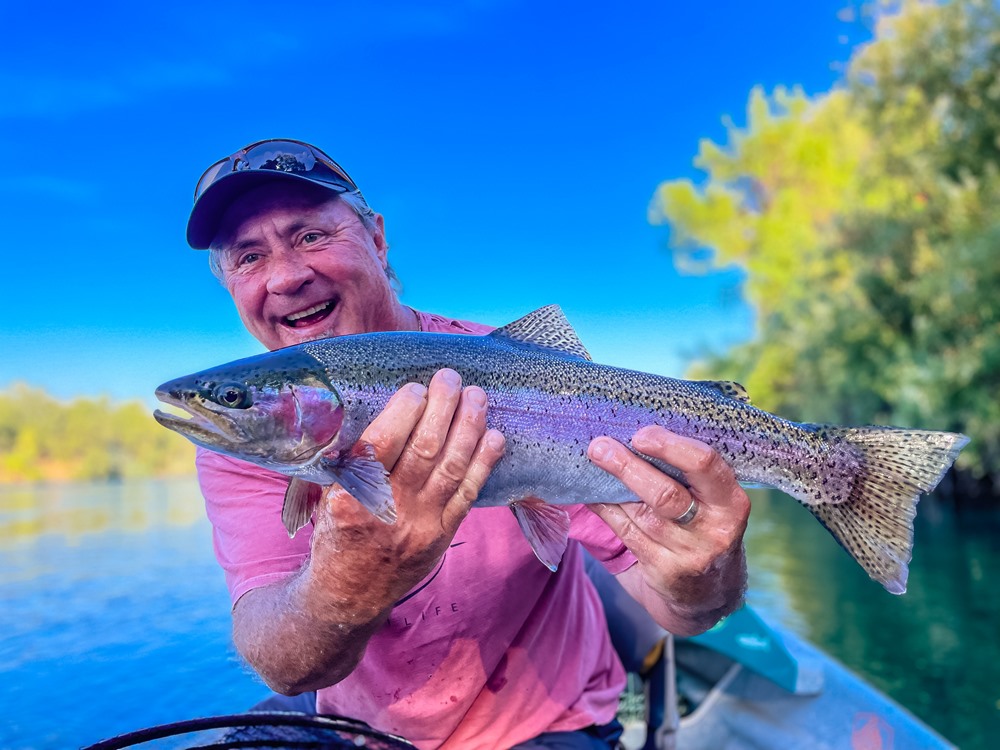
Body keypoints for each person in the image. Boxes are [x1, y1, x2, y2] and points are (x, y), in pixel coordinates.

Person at [186, 139, 750, 749]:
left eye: (311, 237)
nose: (287, 277)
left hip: (549, 722)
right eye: (248, 257)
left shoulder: (512, 365)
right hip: (361, 730)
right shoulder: (239, 441)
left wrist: (704, 577)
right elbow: (284, 661)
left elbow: (677, 605)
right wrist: (345, 582)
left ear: (377, 238)